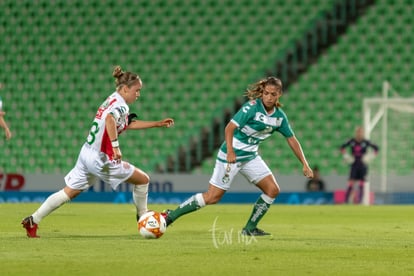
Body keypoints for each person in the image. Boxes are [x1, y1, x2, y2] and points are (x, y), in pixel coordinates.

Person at [21, 66, 174, 238]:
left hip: (86, 152)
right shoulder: (121, 106)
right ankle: (144, 218)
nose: (138, 94)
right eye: (136, 90)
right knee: (143, 180)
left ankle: (33, 219)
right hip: (101, 158)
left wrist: (157, 123)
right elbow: (110, 119)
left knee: (69, 191)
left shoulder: (112, 99)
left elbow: (127, 124)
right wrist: (115, 147)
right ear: (125, 89)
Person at [163, 76, 313, 236]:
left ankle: (249, 228)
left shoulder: (279, 117)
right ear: (262, 92)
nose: (269, 97)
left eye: (273, 94)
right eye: (266, 93)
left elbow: (292, 139)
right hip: (231, 156)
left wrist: (304, 163)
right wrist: (230, 151)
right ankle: (170, 216)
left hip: (250, 157)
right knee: (212, 197)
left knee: (272, 190)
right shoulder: (251, 108)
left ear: (279, 95)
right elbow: (229, 128)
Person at [340, 126, 379, 204]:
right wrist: (346, 156)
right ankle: (346, 201)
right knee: (351, 182)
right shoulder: (351, 141)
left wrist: (370, 157)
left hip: (362, 164)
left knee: (362, 183)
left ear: (363, 133)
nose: (359, 133)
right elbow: (342, 147)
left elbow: (376, 149)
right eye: (358, 132)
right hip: (354, 164)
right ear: (356, 133)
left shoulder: (366, 142)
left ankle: (360, 201)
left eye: (361, 132)